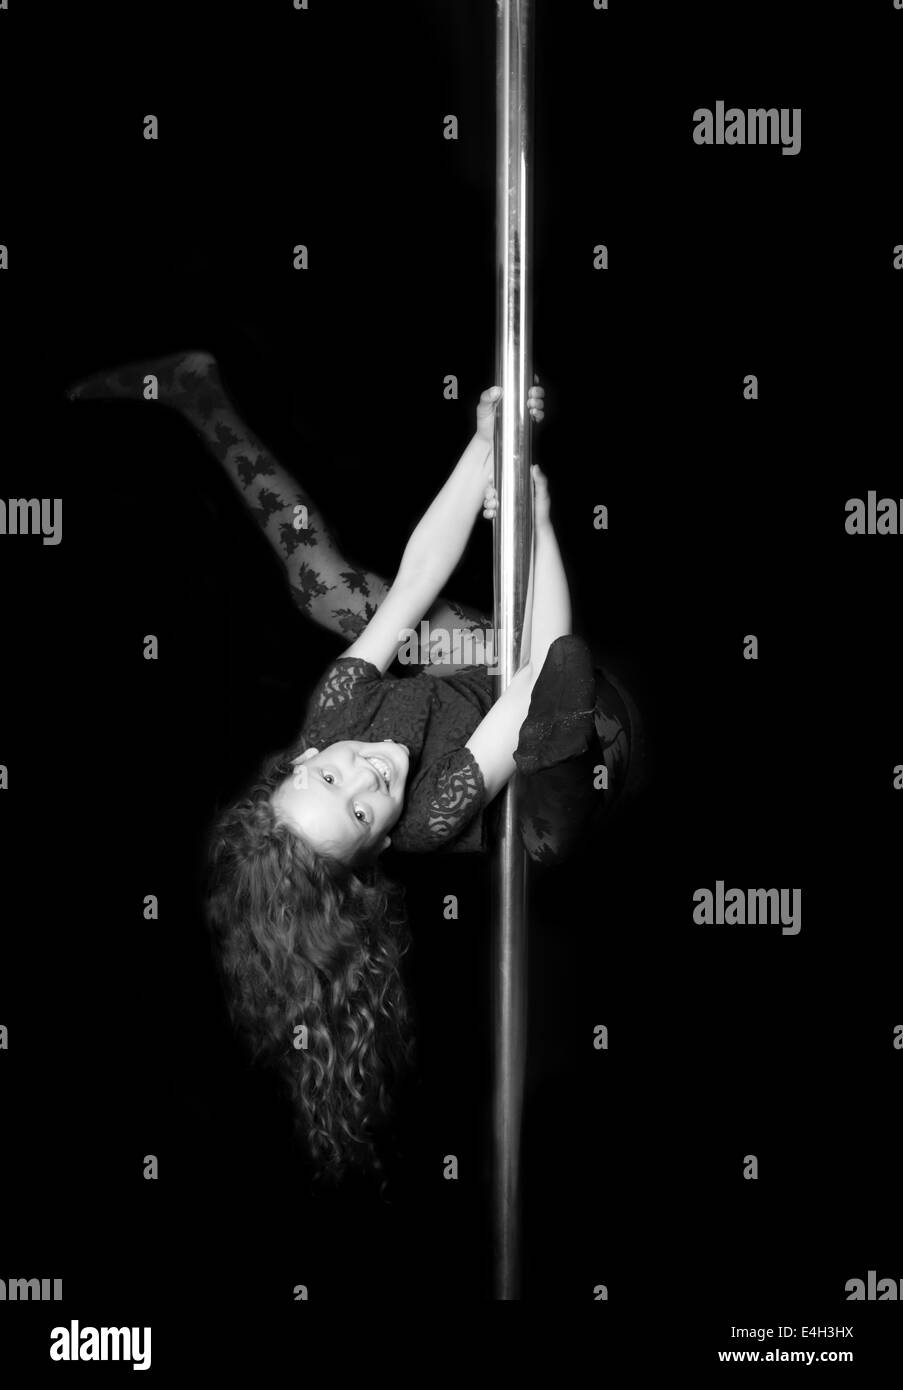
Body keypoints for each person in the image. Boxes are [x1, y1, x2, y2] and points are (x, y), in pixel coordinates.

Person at [66, 350, 648, 1185]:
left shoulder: (334, 712)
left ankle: (199, 392)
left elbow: (414, 584)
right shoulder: (436, 808)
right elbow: (538, 676)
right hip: (566, 717)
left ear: (302, 757)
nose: (368, 776)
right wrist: (537, 519)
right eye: (365, 812)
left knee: (324, 589)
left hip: (475, 674)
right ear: (379, 846)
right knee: (552, 755)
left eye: (331, 779)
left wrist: (486, 443)